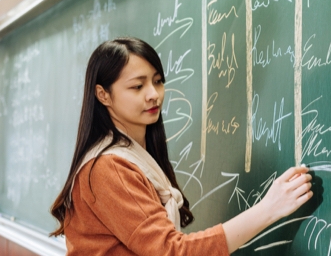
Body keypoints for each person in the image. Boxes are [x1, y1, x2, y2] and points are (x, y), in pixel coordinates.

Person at [50, 37, 313, 255]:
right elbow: (173, 252)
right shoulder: (109, 168)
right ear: (103, 95)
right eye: (137, 86)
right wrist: (268, 209)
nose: (153, 94)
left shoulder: (135, 157)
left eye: (158, 81)